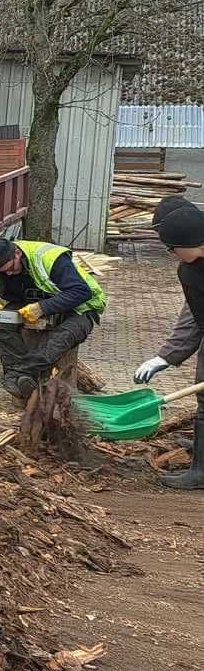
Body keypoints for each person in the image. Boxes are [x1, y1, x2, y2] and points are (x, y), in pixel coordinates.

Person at [0, 236, 107, 401]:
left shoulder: (51, 258)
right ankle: (21, 380)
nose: (8, 273)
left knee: (60, 338)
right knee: (3, 326)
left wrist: (42, 308)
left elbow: (81, 292)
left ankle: (17, 375)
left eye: (11, 268)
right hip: (29, 302)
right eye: (3, 272)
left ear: (17, 254)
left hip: (80, 307)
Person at [132, 200, 204, 490]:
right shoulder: (190, 271)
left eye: (172, 248)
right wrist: (165, 358)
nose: (171, 255)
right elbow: (199, 319)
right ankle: (201, 469)